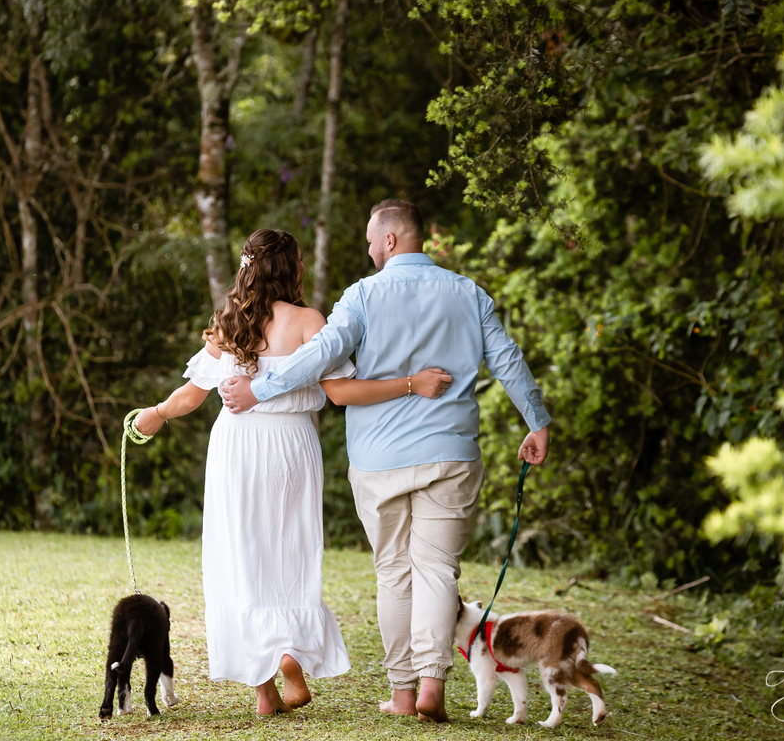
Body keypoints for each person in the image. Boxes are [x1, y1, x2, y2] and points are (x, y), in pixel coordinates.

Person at [220, 200, 551, 723]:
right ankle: (432, 684)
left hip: (379, 460)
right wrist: (537, 422)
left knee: (394, 572)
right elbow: (508, 359)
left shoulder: (361, 296)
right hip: (451, 453)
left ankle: (401, 693)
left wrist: (260, 388)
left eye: (373, 240)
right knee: (439, 570)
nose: (369, 249)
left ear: (392, 239)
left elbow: (319, 354)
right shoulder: (469, 293)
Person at [132, 228, 454, 716]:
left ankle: (266, 692)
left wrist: (154, 414)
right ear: (291, 269)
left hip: (236, 445)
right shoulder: (308, 321)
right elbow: (343, 393)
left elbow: (191, 396)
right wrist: (411, 383)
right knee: (291, 552)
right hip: (291, 446)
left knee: (241, 557)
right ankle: (287, 657)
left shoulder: (229, 321)